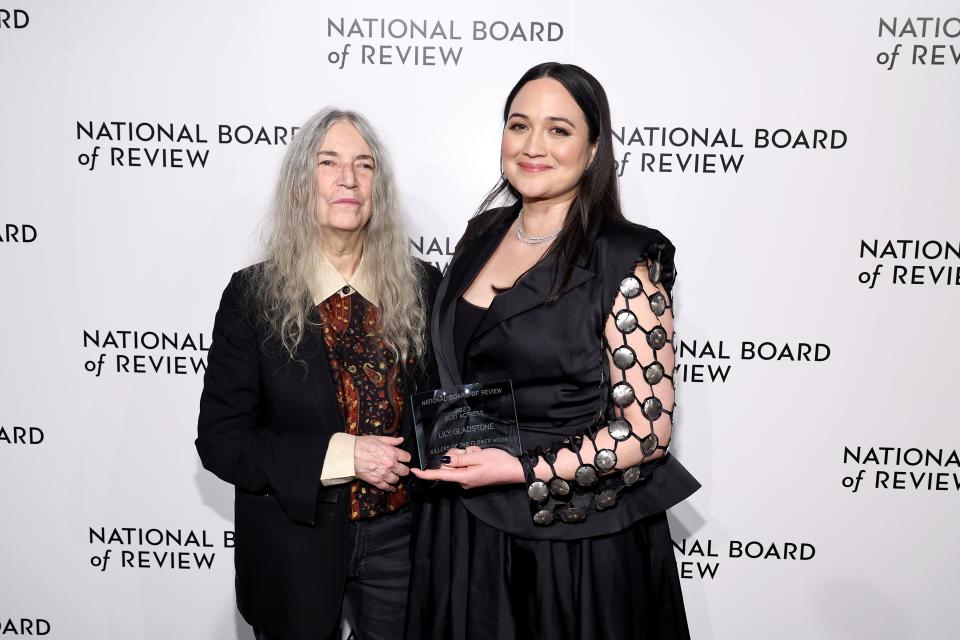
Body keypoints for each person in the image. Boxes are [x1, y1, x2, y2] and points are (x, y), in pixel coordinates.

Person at [406, 62, 700, 640]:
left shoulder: (626, 259)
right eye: (519, 125)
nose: (533, 145)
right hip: (463, 527)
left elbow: (645, 431)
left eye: (559, 130)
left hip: (570, 540)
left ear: (593, 149)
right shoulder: (481, 234)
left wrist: (517, 468)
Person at [196, 108, 441, 640]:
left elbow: (440, 418)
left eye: (364, 165)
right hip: (292, 548)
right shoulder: (253, 296)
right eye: (329, 162)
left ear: (380, 186)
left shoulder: (423, 286)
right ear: (301, 183)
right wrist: (346, 454)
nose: (348, 179)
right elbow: (222, 442)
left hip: (403, 544)